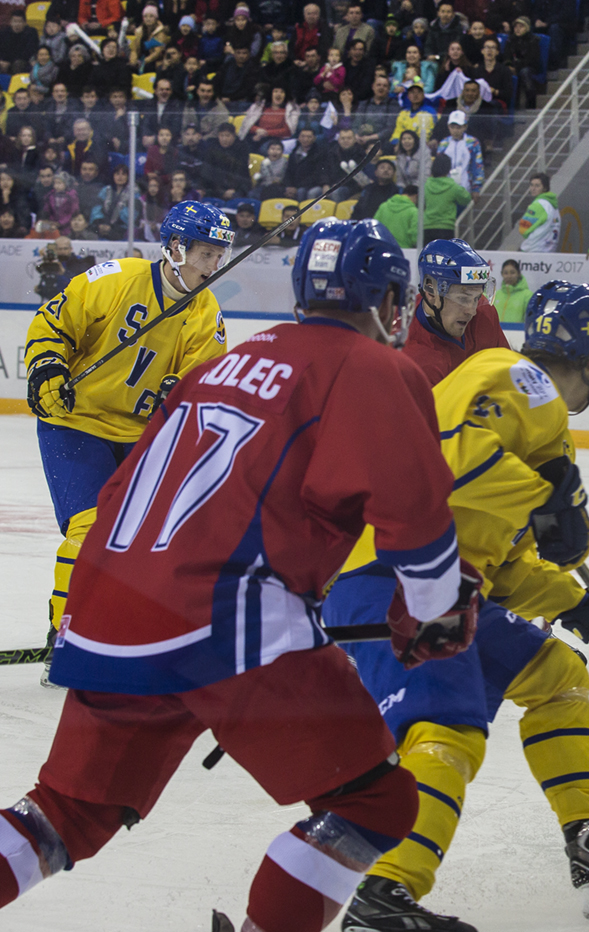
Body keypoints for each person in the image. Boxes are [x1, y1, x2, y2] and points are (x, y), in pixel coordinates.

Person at [2, 217, 481, 932]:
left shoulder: (224, 362)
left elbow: (121, 491)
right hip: (225, 618)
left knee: (66, 814)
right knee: (374, 801)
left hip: (107, 602)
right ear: (390, 300)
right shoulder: (372, 368)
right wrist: (436, 607)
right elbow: (414, 515)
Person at [326, 280, 589, 932]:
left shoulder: (537, 414)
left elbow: (506, 565)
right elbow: (451, 458)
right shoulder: (519, 379)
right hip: (393, 577)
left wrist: (587, 612)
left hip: (445, 582)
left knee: (558, 675)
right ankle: (383, 895)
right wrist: (545, 497)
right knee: (447, 727)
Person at [21, 201, 232, 685]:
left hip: (140, 438)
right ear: (176, 247)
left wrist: (179, 395)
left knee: (148, 542)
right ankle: (65, 638)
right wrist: (48, 366)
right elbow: (53, 323)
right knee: (90, 530)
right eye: (206, 254)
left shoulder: (207, 315)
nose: (214, 265)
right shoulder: (114, 279)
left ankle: (123, 632)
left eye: (219, 256)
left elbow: (202, 389)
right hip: (75, 423)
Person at [399, 238, 507, 383]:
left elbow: (509, 376)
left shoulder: (484, 313)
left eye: (476, 297)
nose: (472, 311)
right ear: (431, 292)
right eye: (462, 298)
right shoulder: (411, 352)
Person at [422, 152, 473, 240]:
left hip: (427, 226)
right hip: (446, 227)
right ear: (448, 169)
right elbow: (466, 199)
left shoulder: (426, 185)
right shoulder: (453, 186)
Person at [435, 110, 484, 196]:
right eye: (452, 127)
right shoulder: (443, 143)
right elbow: (438, 167)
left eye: (459, 127)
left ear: (465, 127)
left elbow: (478, 165)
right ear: (448, 126)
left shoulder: (472, 143)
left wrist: (476, 188)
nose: (455, 131)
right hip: (446, 189)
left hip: (465, 188)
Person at [519, 172, 561, 253]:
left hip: (533, 249)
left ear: (545, 188)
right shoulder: (553, 205)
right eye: (531, 185)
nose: (533, 188)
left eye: (537, 186)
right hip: (549, 249)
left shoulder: (538, 205)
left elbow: (523, 230)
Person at [374, 183, 419, 247]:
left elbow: (375, 227)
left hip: (383, 248)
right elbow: (415, 236)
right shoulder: (414, 211)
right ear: (416, 196)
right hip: (404, 250)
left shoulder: (383, 206)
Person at [494, 257, 533, 323]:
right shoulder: (496, 295)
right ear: (502, 274)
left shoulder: (527, 295)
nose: (509, 276)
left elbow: (530, 319)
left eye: (512, 272)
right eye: (506, 273)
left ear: (518, 273)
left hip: (518, 329)